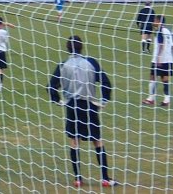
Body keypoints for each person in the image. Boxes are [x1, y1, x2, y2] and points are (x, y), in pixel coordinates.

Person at [47, 35, 119, 188]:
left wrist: (57, 100)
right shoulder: (91, 62)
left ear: (67, 48)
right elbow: (106, 82)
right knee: (97, 141)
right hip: (89, 105)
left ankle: (78, 178)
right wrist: (104, 101)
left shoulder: (63, 64)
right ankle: (105, 178)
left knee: (75, 141)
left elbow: (51, 85)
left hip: (72, 106)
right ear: (82, 47)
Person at [142, 15, 173, 107]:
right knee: (165, 79)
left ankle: (151, 98)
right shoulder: (167, 30)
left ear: (159, 21)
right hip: (168, 59)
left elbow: (161, 44)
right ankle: (166, 100)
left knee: (152, 77)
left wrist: (158, 58)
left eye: (155, 20)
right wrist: (171, 57)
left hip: (159, 59)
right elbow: (172, 46)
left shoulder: (160, 30)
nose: (153, 22)